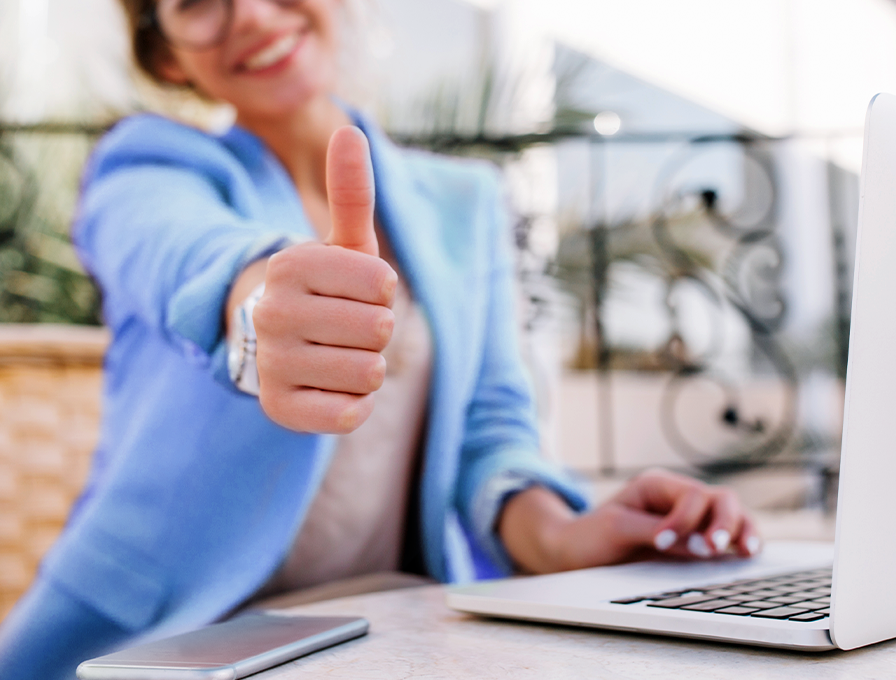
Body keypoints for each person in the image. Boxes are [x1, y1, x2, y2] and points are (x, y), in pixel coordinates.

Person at [0, 0, 761, 677]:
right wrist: (259, 301)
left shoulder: (464, 203)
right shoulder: (147, 163)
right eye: (198, 3)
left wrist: (567, 537)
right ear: (168, 54)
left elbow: (489, 434)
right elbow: (180, 253)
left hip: (380, 626)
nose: (253, 16)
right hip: (168, 634)